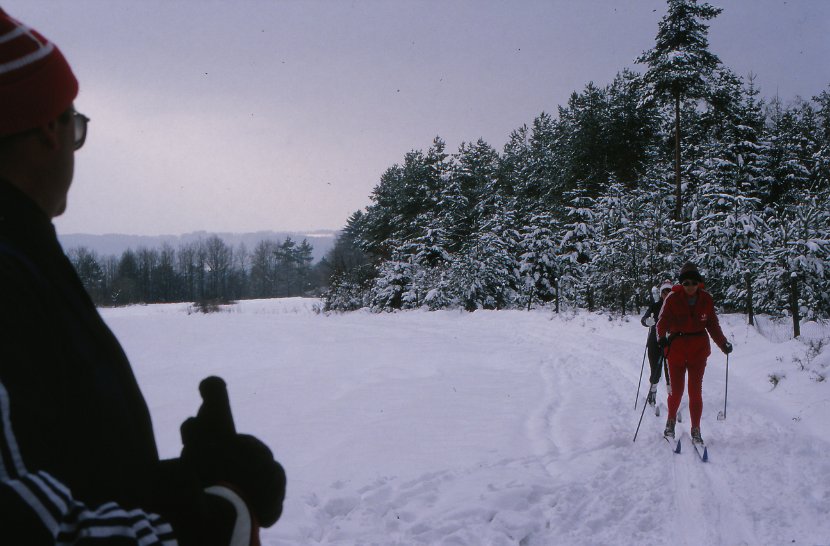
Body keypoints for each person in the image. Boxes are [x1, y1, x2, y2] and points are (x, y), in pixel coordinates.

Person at [0, 9, 284, 545]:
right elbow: (34, 528)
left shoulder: (25, 255)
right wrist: (219, 518)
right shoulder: (9, 273)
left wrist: (187, 483)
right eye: (76, 127)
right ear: (47, 130)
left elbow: (57, 468)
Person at [656, 263, 733, 445]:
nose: (690, 286)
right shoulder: (672, 298)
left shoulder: (706, 299)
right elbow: (662, 321)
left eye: (693, 283)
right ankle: (670, 421)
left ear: (699, 283)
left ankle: (696, 429)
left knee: (695, 391)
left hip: (698, 352)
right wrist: (661, 337)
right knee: (676, 391)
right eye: (686, 283)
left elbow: (712, 325)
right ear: (681, 284)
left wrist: (723, 343)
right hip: (676, 351)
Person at [640, 280, 673, 407]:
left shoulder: (676, 306)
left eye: (669, 291)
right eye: (664, 292)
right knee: (655, 371)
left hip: (670, 343)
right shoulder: (655, 306)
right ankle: (652, 393)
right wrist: (647, 321)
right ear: (661, 294)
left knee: (671, 372)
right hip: (654, 342)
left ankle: (672, 397)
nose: (666, 294)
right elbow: (644, 319)